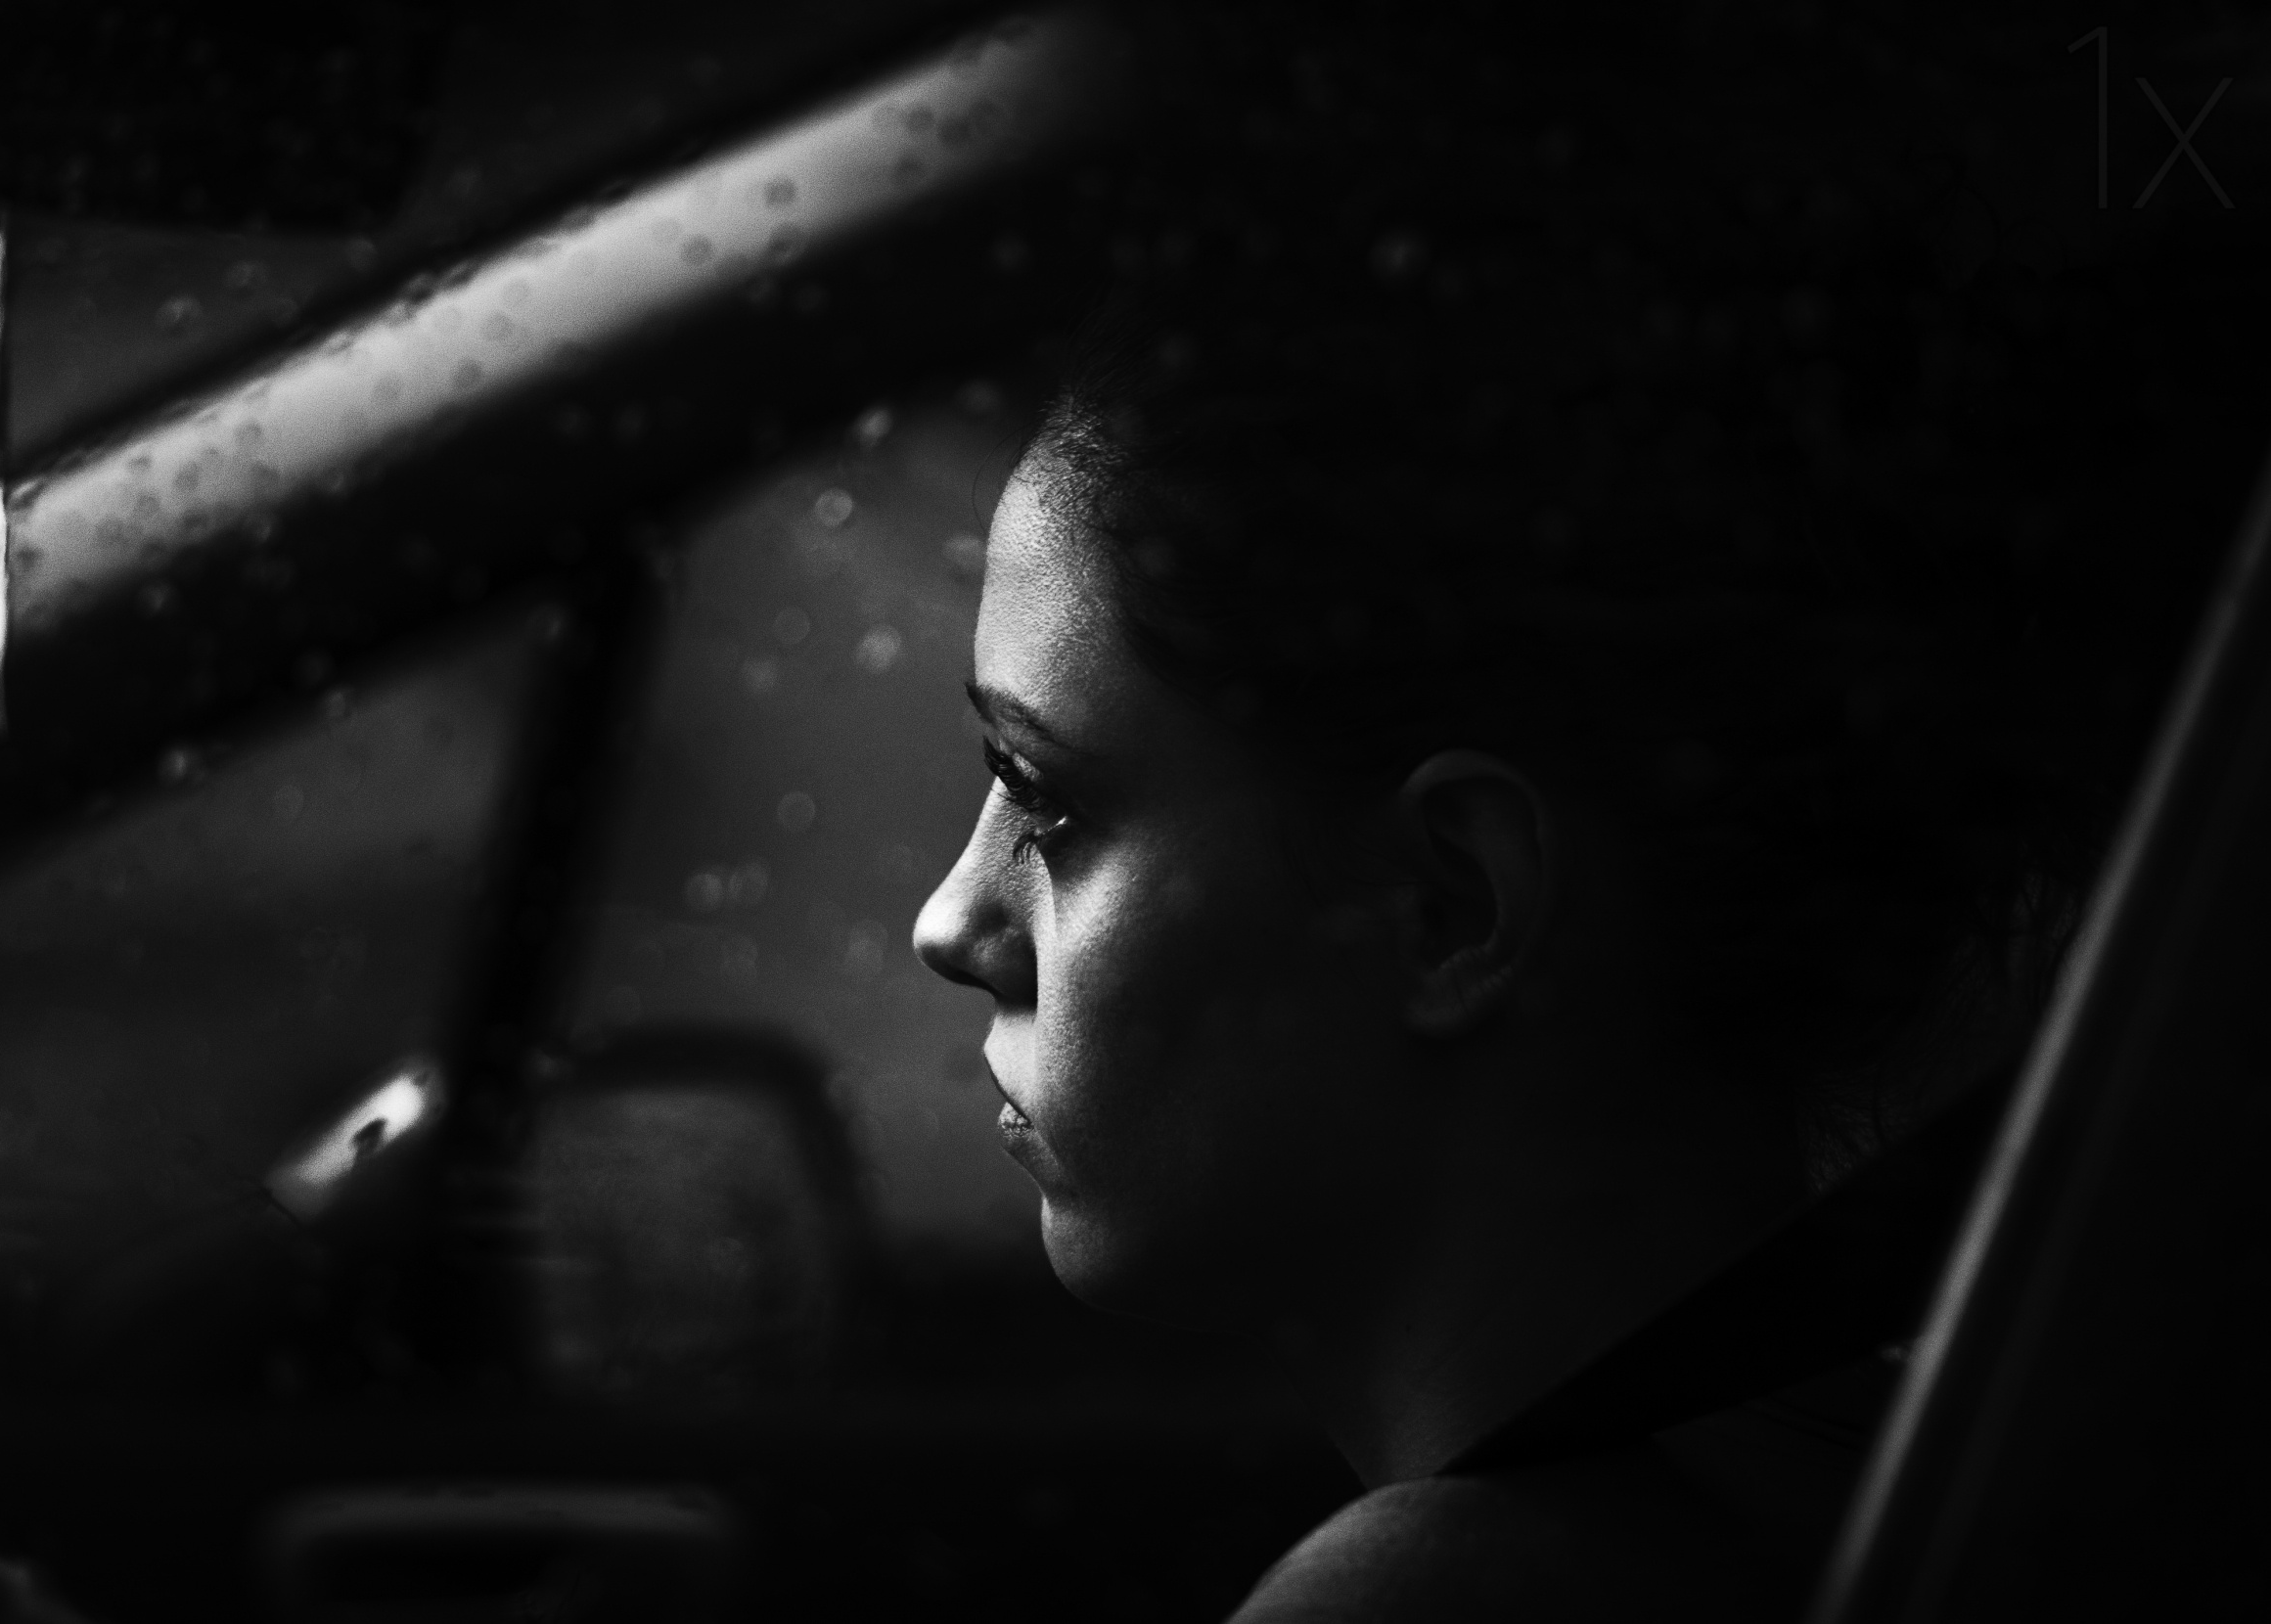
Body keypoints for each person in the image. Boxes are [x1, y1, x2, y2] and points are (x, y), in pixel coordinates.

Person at [912, 7, 2260, 1616]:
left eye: (1044, 798)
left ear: (1451, 905)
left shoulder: (1452, 1599)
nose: (952, 921)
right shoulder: (1894, 1477)